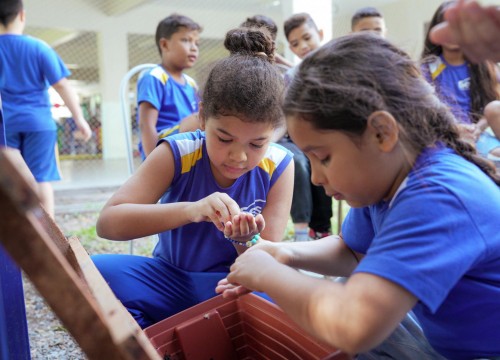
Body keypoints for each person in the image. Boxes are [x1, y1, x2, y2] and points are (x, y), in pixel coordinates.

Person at [216, 32, 500, 359]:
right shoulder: (386, 180)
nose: (317, 177)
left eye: (323, 157)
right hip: (446, 340)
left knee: (347, 310)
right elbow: (352, 252)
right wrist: (282, 253)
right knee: (340, 293)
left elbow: (356, 324)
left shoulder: (438, 197)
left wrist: (268, 275)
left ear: (382, 133)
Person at [93, 26, 294, 329]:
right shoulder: (178, 152)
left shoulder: (279, 164)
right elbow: (108, 222)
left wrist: (244, 239)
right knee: (91, 274)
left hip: (232, 285)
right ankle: (161, 338)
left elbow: (265, 258)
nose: (238, 156)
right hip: (170, 279)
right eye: (224, 138)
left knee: (288, 296)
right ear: (202, 118)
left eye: (256, 144)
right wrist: (192, 209)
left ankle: (172, 331)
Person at [0, 0, 92, 216]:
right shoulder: (39, 47)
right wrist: (79, 118)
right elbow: (61, 84)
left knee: (9, 178)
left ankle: (13, 233)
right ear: (22, 15)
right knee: (41, 177)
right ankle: (47, 234)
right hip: (39, 123)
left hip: (6, 124)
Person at [421, 1, 500, 161]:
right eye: (447, 26)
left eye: (458, 28)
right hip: (449, 133)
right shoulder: (428, 69)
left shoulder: (485, 64)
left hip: (482, 131)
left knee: (494, 109)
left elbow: (495, 102)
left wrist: (478, 128)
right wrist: (455, 129)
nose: (453, 34)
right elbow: (427, 112)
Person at [280, 12, 333, 241]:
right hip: (296, 139)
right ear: (290, 48)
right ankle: (303, 233)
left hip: (328, 134)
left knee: (325, 158)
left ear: (320, 34)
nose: (303, 46)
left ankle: (321, 229)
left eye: (307, 37)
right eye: (295, 43)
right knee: (302, 162)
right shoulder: (291, 77)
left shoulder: (337, 66)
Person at [137, 13, 201, 158]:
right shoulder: (155, 77)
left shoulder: (191, 83)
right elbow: (146, 125)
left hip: (187, 142)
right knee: (201, 119)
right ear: (164, 44)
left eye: (196, 43)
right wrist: (152, 163)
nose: (194, 48)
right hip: (162, 145)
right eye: (186, 40)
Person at [430, 0, 500, 64]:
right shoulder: (427, 69)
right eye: (445, 24)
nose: (452, 34)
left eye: (458, 25)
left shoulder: (488, 67)